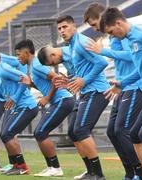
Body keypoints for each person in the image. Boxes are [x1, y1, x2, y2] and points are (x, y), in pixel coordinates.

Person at [100, 7, 142, 180]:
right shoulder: (131, 41)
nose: (113, 36)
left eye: (111, 32)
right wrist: (123, 83)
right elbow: (140, 69)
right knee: (134, 134)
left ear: (118, 23)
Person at [38, 15, 110, 179]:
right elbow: (80, 74)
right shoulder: (72, 46)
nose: (62, 31)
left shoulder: (81, 43)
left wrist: (83, 80)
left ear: (73, 26)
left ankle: (98, 174)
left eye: (65, 27)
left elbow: (102, 63)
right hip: (87, 92)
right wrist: (69, 81)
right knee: (73, 132)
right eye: (59, 29)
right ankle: (90, 171)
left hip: (97, 91)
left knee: (81, 130)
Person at [83, 3, 142, 179]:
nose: (95, 29)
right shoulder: (112, 37)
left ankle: (141, 172)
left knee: (122, 130)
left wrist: (104, 51)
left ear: (102, 17)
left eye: (94, 24)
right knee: (112, 131)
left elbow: (132, 55)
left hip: (136, 86)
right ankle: (130, 172)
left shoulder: (122, 33)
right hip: (123, 88)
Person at [15, 39, 75, 177]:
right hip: (59, 101)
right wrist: (30, 84)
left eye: (19, 55)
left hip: (63, 100)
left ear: (26, 52)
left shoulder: (36, 65)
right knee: (40, 133)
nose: (18, 58)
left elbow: (56, 78)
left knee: (40, 132)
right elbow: (45, 83)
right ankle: (51, 167)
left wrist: (47, 97)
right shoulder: (33, 67)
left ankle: (55, 168)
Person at [0, 46, 38, 175]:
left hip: (27, 106)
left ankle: (22, 166)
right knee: (6, 134)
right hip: (18, 107)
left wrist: (15, 97)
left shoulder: (4, 69)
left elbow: (25, 79)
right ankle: (16, 165)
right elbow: (2, 94)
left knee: (7, 134)